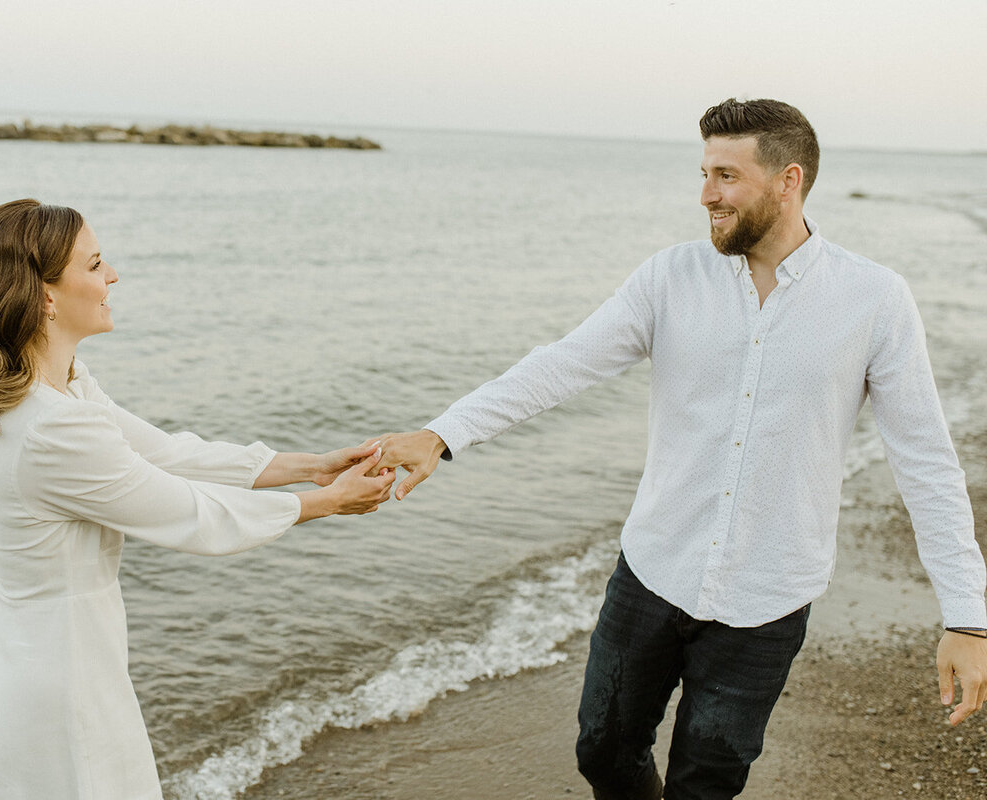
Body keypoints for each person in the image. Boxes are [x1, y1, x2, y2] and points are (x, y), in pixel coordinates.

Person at [371, 98, 987, 799]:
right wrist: (443, 434)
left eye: (725, 175)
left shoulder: (874, 299)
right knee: (603, 753)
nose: (706, 195)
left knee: (707, 782)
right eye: (703, 173)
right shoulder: (669, 277)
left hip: (767, 598)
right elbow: (560, 365)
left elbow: (926, 461)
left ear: (788, 181)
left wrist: (967, 617)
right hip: (652, 574)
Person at [0, 198, 395, 800]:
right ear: (44, 295)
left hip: (41, 652)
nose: (113, 276)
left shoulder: (57, 387)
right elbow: (187, 514)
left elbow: (167, 454)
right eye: (95, 265)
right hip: (64, 677)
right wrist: (322, 503)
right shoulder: (50, 427)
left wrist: (314, 466)